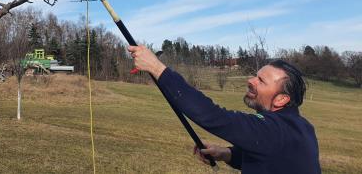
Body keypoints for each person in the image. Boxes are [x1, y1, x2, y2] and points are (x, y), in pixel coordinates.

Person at [128, 45, 320, 173]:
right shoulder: (301, 128)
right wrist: (226, 154)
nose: (250, 81)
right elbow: (271, 157)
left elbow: (213, 115)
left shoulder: (274, 130)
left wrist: (156, 68)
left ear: (281, 99)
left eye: (261, 81)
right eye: (255, 75)